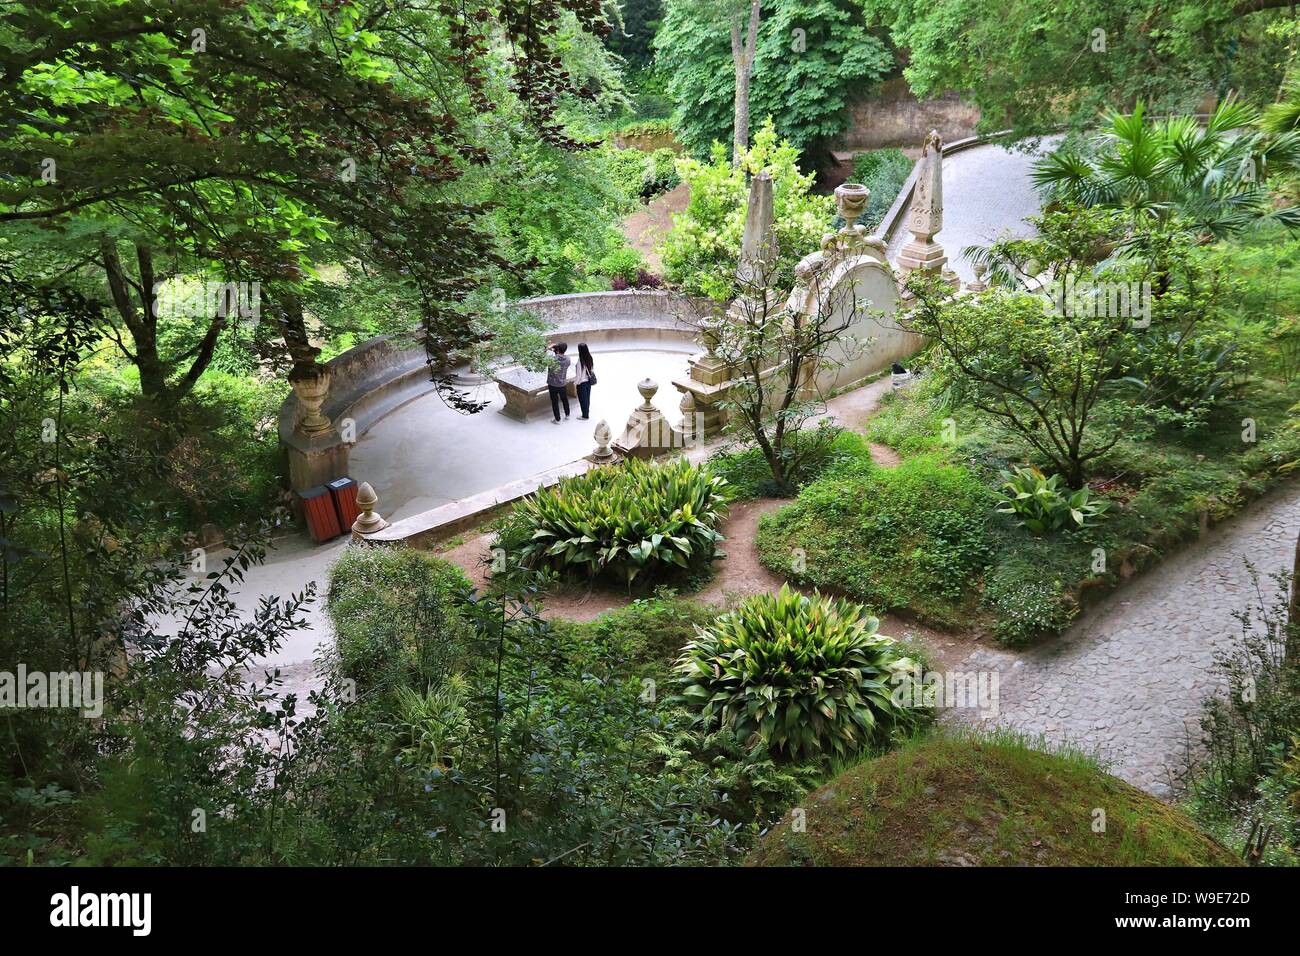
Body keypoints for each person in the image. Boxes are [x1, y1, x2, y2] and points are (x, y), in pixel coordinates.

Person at [546, 342, 571, 423]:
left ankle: (557, 419)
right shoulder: (568, 359)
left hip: (552, 384)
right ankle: (567, 414)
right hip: (562, 383)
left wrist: (548, 347)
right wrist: (556, 350)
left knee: (554, 401)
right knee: (564, 399)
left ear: (557, 349)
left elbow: (542, 356)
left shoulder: (552, 359)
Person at [574, 343, 595, 420]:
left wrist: (575, 383)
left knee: (583, 400)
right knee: (587, 398)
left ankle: (585, 416)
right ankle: (586, 412)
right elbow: (592, 369)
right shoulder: (590, 358)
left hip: (582, 383)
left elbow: (579, 375)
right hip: (588, 382)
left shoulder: (580, 362)